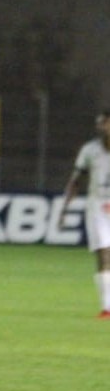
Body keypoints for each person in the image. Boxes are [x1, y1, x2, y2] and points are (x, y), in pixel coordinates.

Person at [57, 110, 110, 318]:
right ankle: (107, 307)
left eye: (105, 123)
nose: (102, 127)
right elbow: (76, 180)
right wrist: (64, 208)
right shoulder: (90, 150)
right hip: (97, 207)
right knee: (103, 254)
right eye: (100, 124)